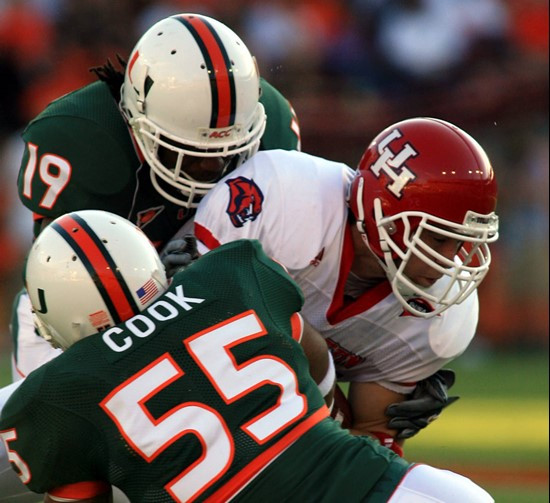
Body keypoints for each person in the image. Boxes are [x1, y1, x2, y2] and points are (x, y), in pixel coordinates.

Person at [0, 209, 494, 502]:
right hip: (372, 486)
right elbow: (310, 346)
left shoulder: (58, 393)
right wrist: (337, 417)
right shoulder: (229, 275)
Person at [11, 12, 301, 381]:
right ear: (135, 116)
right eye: (189, 155)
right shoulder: (82, 140)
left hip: (212, 298)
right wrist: (157, 282)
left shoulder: (272, 125)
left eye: (226, 154)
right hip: (85, 309)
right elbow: (66, 276)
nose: (209, 170)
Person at [193, 117, 500, 455]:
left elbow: (366, 443)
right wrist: (324, 394)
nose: (447, 262)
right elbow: (211, 330)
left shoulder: (442, 321)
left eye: (460, 243)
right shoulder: (287, 199)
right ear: (381, 210)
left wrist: (334, 411)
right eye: (438, 238)